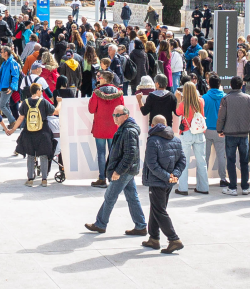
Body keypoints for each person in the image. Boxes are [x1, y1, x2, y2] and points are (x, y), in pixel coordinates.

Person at [85, 103, 147, 236]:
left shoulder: (128, 131)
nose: (114, 117)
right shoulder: (124, 128)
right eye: (114, 115)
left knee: (110, 196)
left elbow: (130, 154)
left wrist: (118, 171)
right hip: (127, 170)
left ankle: (100, 224)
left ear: (126, 116)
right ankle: (141, 225)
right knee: (132, 197)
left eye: (117, 115)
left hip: (124, 171)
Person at [140, 114, 186, 254]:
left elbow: (151, 164)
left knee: (159, 210)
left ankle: (174, 239)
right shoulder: (176, 139)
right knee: (157, 208)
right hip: (168, 181)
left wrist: (167, 177)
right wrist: (174, 176)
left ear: (152, 125)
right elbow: (182, 161)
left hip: (158, 181)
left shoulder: (153, 140)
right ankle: (154, 238)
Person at [6, 81, 56, 186]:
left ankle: (30, 179)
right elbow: (54, 111)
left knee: (30, 155)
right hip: (43, 132)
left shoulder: (25, 103)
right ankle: (44, 180)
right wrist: (59, 103)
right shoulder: (44, 102)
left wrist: (12, 130)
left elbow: (20, 118)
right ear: (37, 91)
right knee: (43, 155)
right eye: (41, 90)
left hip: (29, 133)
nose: (42, 92)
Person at [216, 75, 250, 196]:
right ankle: (245, 187)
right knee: (244, 161)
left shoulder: (226, 99)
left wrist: (219, 130)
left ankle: (232, 187)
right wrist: (247, 126)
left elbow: (221, 117)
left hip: (230, 133)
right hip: (244, 134)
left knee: (231, 161)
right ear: (241, 85)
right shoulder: (249, 98)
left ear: (231, 85)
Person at [88, 69, 124, 187]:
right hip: (114, 127)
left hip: (100, 127)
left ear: (104, 79)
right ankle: (114, 178)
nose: (98, 79)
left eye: (100, 77)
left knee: (101, 153)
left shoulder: (97, 92)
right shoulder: (118, 92)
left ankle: (102, 178)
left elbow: (91, 109)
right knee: (114, 153)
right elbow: (122, 109)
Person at [174, 81, 208, 195]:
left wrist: (178, 99)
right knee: (201, 161)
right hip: (199, 133)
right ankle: (203, 187)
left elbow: (178, 113)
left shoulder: (183, 104)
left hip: (187, 132)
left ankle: (183, 188)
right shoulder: (201, 101)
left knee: (184, 162)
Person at [202, 74, 228, 187]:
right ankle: (223, 178)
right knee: (221, 156)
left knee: (205, 156)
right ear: (220, 85)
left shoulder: (204, 98)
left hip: (206, 130)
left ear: (209, 84)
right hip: (221, 131)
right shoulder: (225, 97)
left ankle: (203, 180)